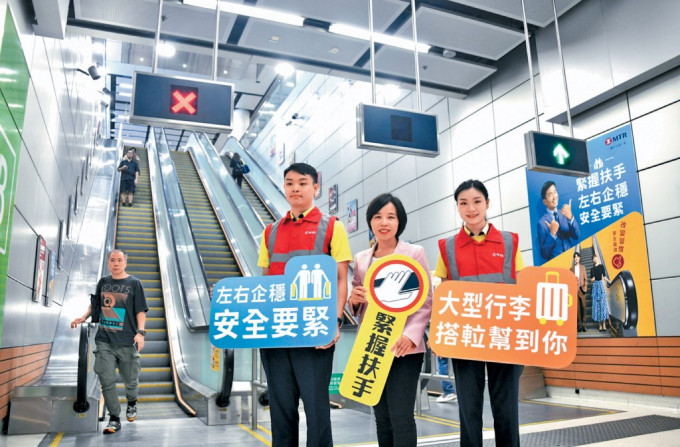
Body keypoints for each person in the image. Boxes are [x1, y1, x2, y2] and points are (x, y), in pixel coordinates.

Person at [257, 162, 351, 447]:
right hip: (276, 335)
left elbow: (341, 279)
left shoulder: (332, 227)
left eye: (302, 183)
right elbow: (265, 282)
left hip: (314, 333)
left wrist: (335, 322)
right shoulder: (270, 231)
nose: (295, 188)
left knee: (317, 410)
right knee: (281, 410)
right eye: (289, 183)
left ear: (315, 188)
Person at [435, 179, 525, 447]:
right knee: (469, 410)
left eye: (476, 202)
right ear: (457, 207)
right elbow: (442, 295)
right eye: (463, 203)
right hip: (466, 338)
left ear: (487, 203)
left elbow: (522, 288)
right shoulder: (447, 247)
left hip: (504, 336)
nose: (471, 208)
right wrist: (440, 337)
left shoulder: (509, 242)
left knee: (507, 410)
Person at [348, 193, 432, 447]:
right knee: (381, 417)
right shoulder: (361, 259)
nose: (384, 222)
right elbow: (357, 301)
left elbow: (426, 300)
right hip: (373, 345)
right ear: (370, 222)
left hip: (405, 348)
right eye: (377, 217)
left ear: (399, 221)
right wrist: (354, 299)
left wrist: (411, 335)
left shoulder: (414, 253)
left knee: (401, 416)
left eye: (390, 217)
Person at [70, 249, 148, 435]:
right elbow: (96, 304)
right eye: (112, 260)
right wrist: (84, 316)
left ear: (125, 263)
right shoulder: (104, 282)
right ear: (108, 263)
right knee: (106, 380)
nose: (116, 263)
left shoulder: (134, 283)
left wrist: (141, 333)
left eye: (119, 260)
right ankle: (114, 418)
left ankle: (132, 402)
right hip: (104, 340)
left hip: (127, 341)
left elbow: (140, 310)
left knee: (131, 380)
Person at [537, 181, 580, 262]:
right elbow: (544, 254)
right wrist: (552, 234)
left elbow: (576, 235)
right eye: (550, 195)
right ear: (544, 201)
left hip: (571, 261)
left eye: (555, 192)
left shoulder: (565, 213)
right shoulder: (542, 223)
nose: (554, 197)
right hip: (557, 265)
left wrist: (570, 218)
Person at [590, 253, 611, 332]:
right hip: (595, 286)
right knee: (597, 305)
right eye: (593, 258)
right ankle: (600, 325)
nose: (594, 259)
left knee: (603, 304)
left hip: (601, 286)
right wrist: (592, 279)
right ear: (592, 260)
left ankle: (604, 324)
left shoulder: (601, 266)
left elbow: (604, 277)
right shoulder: (592, 269)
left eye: (595, 258)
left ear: (597, 258)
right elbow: (591, 279)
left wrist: (609, 281)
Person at [570, 252, 588, 332]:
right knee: (577, 308)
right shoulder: (571, 269)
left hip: (582, 289)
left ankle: (584, 325)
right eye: (575, 257)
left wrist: (585, 287)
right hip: (575, 290)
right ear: (574, 259)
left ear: (579, 258)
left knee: (583, 306)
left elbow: (585, 279)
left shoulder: (583, 267)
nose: (576, 258)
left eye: (577, 257)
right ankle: (579, 325)